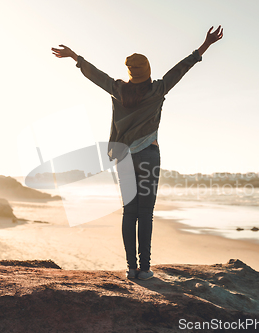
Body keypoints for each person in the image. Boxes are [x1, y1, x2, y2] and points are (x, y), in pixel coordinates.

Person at [52, 26, 223, 280]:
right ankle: (145, 269)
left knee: (129, 212)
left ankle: (130, 268)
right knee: (145, 214)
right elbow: (181, 69)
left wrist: (75, 57)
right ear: (148, 71)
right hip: (148, 157)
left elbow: (96, 75)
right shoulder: (157, 90)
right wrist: (205, 45)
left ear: (130, 72)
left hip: (123, 158)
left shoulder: (118, 90)